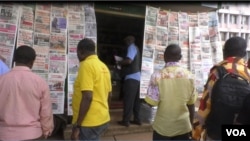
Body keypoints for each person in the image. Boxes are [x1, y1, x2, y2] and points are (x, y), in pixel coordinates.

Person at [193, 36, 250, 140]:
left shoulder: (217, 72)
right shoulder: (248, 73)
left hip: (216, 131)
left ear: (224, 52)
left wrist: (196, 133)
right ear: (244, 54)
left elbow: (205, 106)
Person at [0, 45, 54, 140]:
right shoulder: (40, 82)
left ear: (14, 59)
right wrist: (46, 130)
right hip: (32, 134)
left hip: (4, 135)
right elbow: (46, 112)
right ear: (32, 62)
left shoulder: (2, 80)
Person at [145, 44, 197, 141]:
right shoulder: (190, 76)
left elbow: (151, 103)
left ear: (164, 56)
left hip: (163, 127)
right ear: (180, 57)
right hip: (183, 127)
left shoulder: (157, 76)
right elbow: (191, 104)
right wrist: (190, 125)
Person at [71, 38, 112, 141]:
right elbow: (109, 95)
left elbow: (87, 96)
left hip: (89, 122)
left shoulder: (86, 65)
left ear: (81, 52)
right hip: (102, 118)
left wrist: (78, 126)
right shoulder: (103, 66)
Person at [117, 35, 141, 127]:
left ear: (130, 41)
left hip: (131, 77)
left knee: (128, 100)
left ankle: (126, 120)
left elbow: (129, 61)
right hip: (137, 77)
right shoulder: (136, 48)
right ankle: (137, 119)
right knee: (136, 101)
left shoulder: (131, 47)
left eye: (126, 41)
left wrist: (119, 62)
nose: (125, 43)